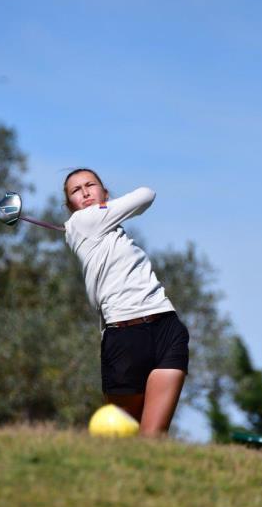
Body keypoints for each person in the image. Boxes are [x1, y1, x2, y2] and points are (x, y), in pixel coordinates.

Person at [63, 168, 189, 438]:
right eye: (76, 190)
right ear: (70, 206)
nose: (85, 192)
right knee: (120, 439)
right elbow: (146, 195)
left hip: (166, 325)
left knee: (153, 437)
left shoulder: (111, 232)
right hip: (124, 335)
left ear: (104, 193)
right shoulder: (82, 222)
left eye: (90, 185)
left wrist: (106, 210)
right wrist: (104, 208)